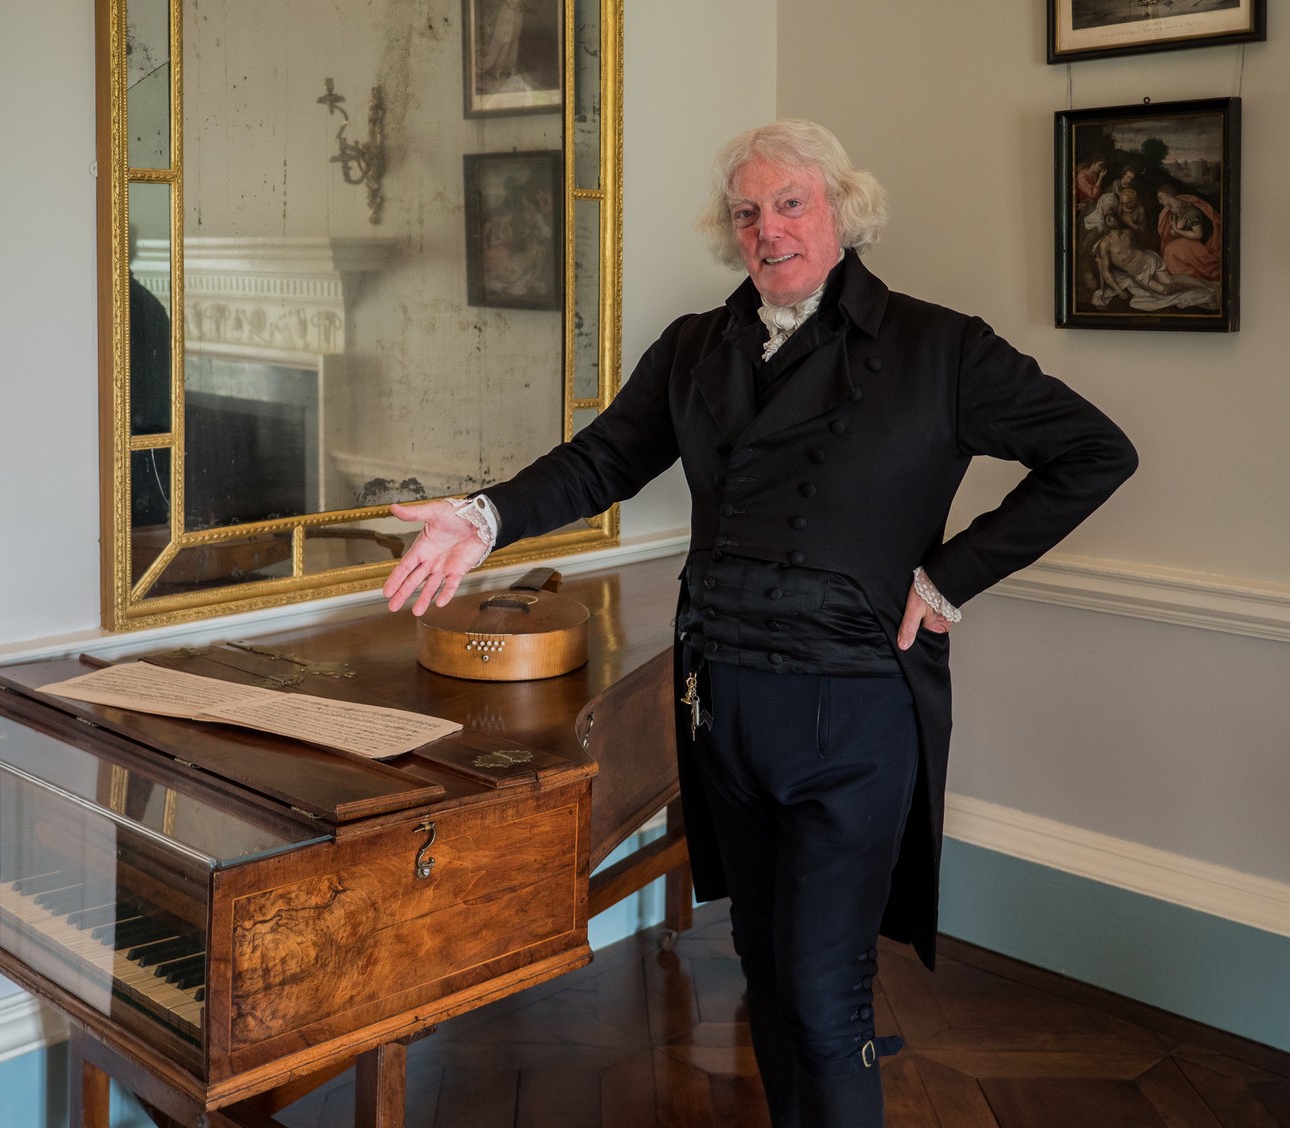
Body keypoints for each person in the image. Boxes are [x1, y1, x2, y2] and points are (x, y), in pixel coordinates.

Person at [382, 120, 1138, 1127]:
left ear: (841, 211)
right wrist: (483, 521)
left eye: (790, 204)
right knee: (767, 973)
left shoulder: (938, 348)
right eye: (747, 212)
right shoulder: (697, 347)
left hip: (853, 717)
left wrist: (948, 578)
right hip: (723, 708)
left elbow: (1095, 451)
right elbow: (600, 461)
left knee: (826, 997)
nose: (768, 230)